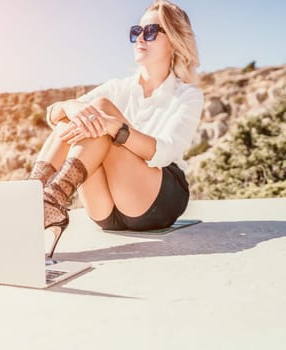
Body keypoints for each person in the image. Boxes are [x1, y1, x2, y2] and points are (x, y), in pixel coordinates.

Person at [28, 0, 204, 258]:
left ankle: (47, 202)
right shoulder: (118, 87)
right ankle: (31, 200)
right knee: (79, 115)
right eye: (136, 31)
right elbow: (54, 116)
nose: (140, 38)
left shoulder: (187, 95)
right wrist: (70, 106)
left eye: (151, 31)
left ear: (175, 40)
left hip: (158, 198)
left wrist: (116, 128)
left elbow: (165, 152)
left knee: (100, 110)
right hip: (108, 211)